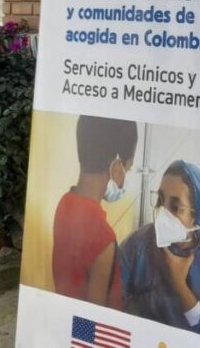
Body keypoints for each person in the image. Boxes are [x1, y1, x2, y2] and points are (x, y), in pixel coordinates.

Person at [119, 160, 200, 345]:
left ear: (196, 216)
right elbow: (110, 308)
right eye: (160, 200)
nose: (162, 213)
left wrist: (181, 287)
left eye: (174, 206)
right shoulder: (137, 245)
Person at [52, 115, 138, 310]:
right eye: (128, 167)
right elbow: (96, 316)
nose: (127, 174)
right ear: (116, 167)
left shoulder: (65, 202)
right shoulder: (104, 238)